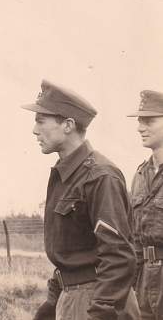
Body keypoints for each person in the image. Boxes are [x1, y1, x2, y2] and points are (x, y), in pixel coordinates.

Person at [22, 80, 139, 320]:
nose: (34, 130)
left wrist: (101, 309)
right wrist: (54, 301)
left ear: (68, 125)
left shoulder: (100, 176)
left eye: (41, 120)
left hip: (97, 301)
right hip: (73, 298)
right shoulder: (66, 175)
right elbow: (71, 252)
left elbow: (118, 256)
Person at [127, 90, 163, 319]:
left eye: (149, 121)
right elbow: (134, 239)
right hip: (144, 281)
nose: (140, 128)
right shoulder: (140, 174)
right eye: (140, 121)